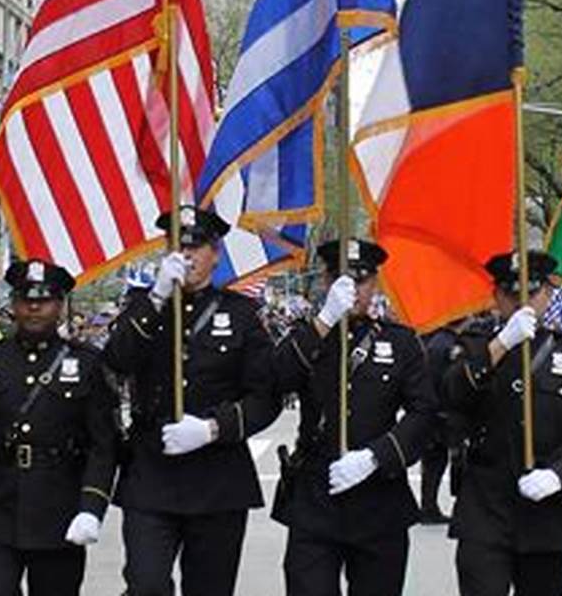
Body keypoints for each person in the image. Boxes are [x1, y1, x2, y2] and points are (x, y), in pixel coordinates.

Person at [104, 206, 281, 596]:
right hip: (152, 470)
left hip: (217, 476)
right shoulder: (144, 307)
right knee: (145, 584)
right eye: (177, 245)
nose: (187, 254)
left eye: (196, 246)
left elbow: (266, 397)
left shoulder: (241, 314)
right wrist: (156, 297)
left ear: (215, 253)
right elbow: (116, 360)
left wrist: (214, 428)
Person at [0, 260, 119, 596]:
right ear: (13, 305)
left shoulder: (86, 363)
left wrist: (92, 508)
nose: (34, 309)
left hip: (59, 508)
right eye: (26, 301)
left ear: (60, 305)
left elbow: (103, 445)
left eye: (44, 301)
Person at [270, 239, 438, 596]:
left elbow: (423, 412)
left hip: (379, 497)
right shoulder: (311, 334)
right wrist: (325, 319)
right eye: (342, 280)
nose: (353, 290)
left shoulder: (401, 342)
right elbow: (276, 379)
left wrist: (377, 456)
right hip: (316, 495)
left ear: (374, 284)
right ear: (327, 283)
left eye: (361, 281)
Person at [444, 250, 562, 596]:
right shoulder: (476, 344)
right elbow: (452, 392)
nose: (522, 302)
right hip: (486, 507)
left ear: (548, 294)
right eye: (512, 293)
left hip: (549, 512)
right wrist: (501, 344)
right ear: (496, 295)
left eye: (531, 293)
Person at [420, 318, 468, 523]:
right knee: (458, 460)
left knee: (433, 462)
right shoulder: (454, 346)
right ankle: (458, 509)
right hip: (447, 411)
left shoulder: (435, 341)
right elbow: (453, 382)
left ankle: (428, 505)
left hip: (433, 409)